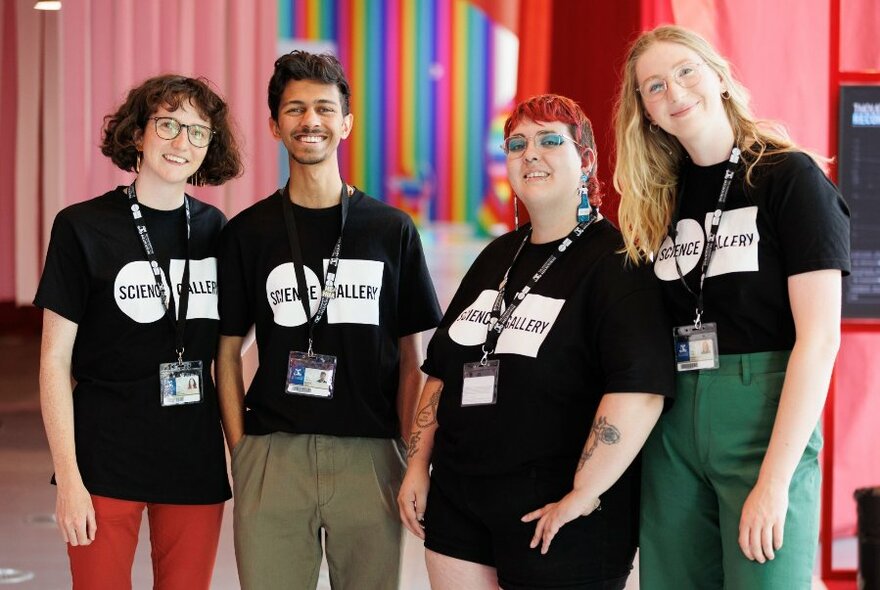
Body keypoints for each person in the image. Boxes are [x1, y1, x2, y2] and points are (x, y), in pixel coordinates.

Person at [397, 94, 674, 590]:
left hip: (558, 515)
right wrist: (417, 466)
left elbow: (640, 389)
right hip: (460, 502)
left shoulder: (617, 262)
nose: (530, 154)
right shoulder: (496, 257)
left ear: (585, 159)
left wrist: (583, 494)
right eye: (517, 144)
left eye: (550, 141)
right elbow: (442, 370)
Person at [613, 25, 851, 589]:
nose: (673, 91)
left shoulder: (788, 177)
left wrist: (774, 480)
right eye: (654, 86)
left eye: (685, 71)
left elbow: (820, 340)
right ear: (644, 111)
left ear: (718, 76)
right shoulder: (657, 200)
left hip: (763, 420)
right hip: (672, 428)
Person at [217, 50, 442, 590]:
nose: (309, 121)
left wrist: (407, 453)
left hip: (371, 456)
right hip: (274, 454)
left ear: (345, 123)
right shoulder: (248, 233)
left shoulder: (391, 230)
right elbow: (225, 351)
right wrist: (242, 450)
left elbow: (412, 357)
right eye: (294, 110)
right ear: (275, 125)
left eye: (323, 108)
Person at [35, 74, 242, 589]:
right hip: (103, 458)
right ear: (137, 134)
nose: (182, 142)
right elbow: (54, 361)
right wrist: (69, 482)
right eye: (168, 124)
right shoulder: (82, 227)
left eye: (198, 131)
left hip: (192, 457)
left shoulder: (218, 230)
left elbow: (230, 344)